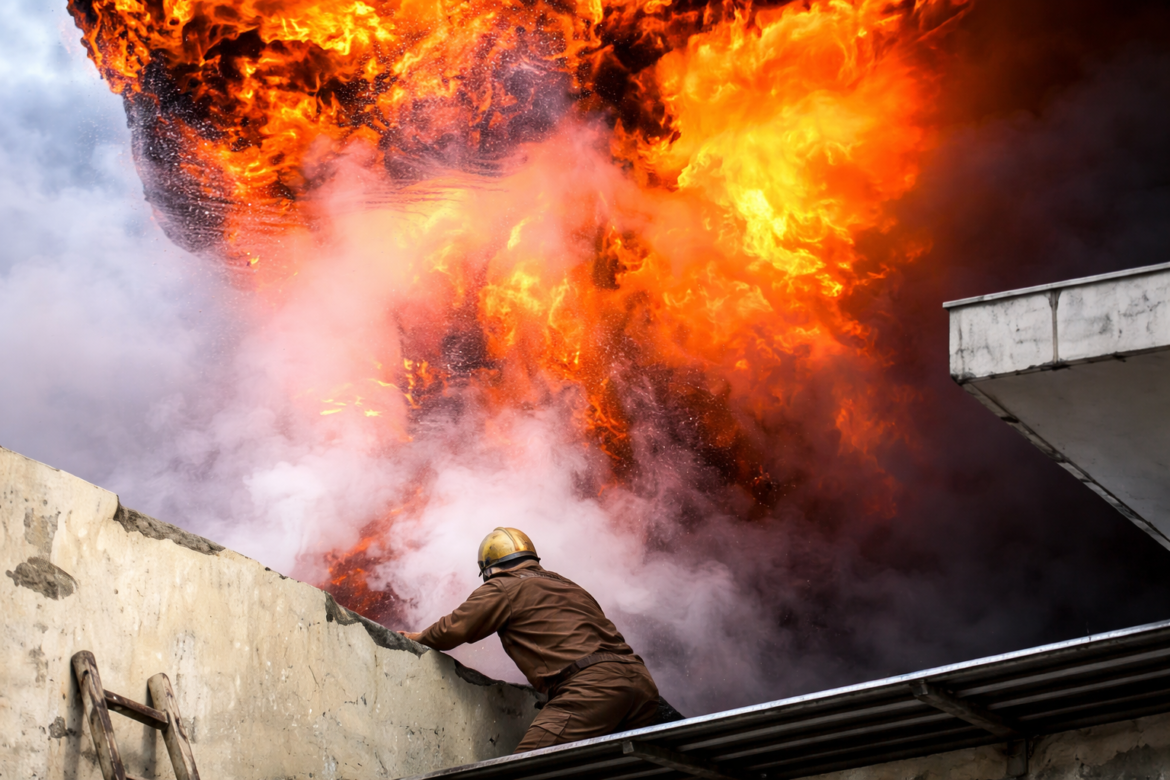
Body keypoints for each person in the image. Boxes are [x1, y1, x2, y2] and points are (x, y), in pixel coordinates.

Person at [398, 527, 663, 752]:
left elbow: (455, 628)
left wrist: (419, 636)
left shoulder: (503, 585)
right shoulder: (570, 585)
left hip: (592, 690)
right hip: (641, 685)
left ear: (488, 570)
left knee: (527, 768)